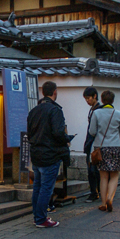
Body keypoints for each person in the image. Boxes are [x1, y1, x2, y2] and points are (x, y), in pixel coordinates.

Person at [27, 81, 71, 227]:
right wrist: (67, 139)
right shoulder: (55, 110)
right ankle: (41, 219)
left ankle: (37, 217)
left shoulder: (34, 111)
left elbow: (30, 132)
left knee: (38, 187)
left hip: (36, 154)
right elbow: (58, 133)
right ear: (55, 92)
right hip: (50, 154)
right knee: (46, 188)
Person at [88, 90, 120, 212]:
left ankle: (103, 203)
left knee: (103, 176)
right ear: (113, 100)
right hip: (115, 146)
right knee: (114, 175)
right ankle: (110, 198)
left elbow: (92, 132)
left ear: (102, 100)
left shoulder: (96, 113)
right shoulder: (119, 114)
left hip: (101, 147)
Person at [83, 87, 102, 203]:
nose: (87, 101)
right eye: (86, 99)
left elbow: (93, 130)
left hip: (95, 143)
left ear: (95, 96)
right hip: (91, 143)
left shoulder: (98, 110)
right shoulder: (93, 110)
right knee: (92, 170)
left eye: (88, 98)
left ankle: (96, 192)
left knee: (94, 170)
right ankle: (95, 192)